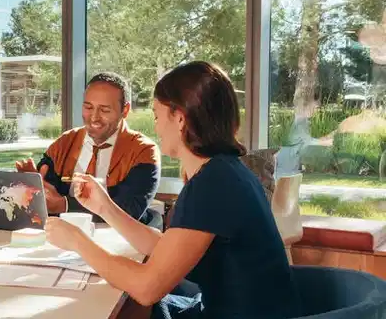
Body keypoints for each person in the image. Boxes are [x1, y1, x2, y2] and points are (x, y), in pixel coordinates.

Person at [44, 61, 301, 319]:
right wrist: (105, 208)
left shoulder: (213, 184)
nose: (155, 127)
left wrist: (78, 242)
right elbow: (167, 248)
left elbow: (146, 288)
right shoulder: (225, 170)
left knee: (133, 307)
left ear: (179, 118)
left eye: (157, 116)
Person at [16, 72, 161, 226]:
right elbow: (46, 195)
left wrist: (65, 205)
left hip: (118, 237)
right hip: (63, 234)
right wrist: (35, 186)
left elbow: (128, 209)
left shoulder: (143, 151)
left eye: (104, 110)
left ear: (125, 110)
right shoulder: (64, 143)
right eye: (88, 107)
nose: (94, 118)